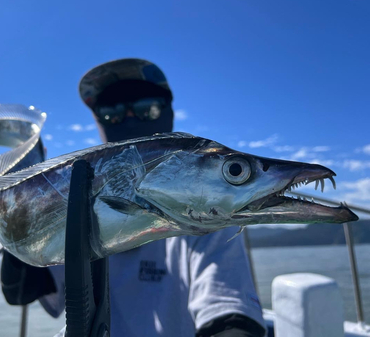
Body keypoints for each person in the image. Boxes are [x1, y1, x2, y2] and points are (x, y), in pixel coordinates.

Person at [37, 58, 266, 337]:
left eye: (148, 109)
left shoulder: (208, 212)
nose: (130, 119)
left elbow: (227, 309)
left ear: (166, 113)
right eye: (111, 113)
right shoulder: (77, 204)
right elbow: (32, 286)